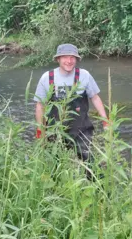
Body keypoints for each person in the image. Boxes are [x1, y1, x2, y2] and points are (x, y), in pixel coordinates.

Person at [34, 43, 108, 180]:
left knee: (90, 162)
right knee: (53, 165)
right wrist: (40, 130)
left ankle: (98, 191)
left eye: (72, 57)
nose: (69, 61)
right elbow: (40, 106)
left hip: (81, 129)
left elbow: (95, 98)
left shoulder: (84, 75)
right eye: (65, 57)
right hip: (55, 130)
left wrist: (105, 121)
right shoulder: (47, 77)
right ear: (58, 59)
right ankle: (57, 191)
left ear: (77, 59)